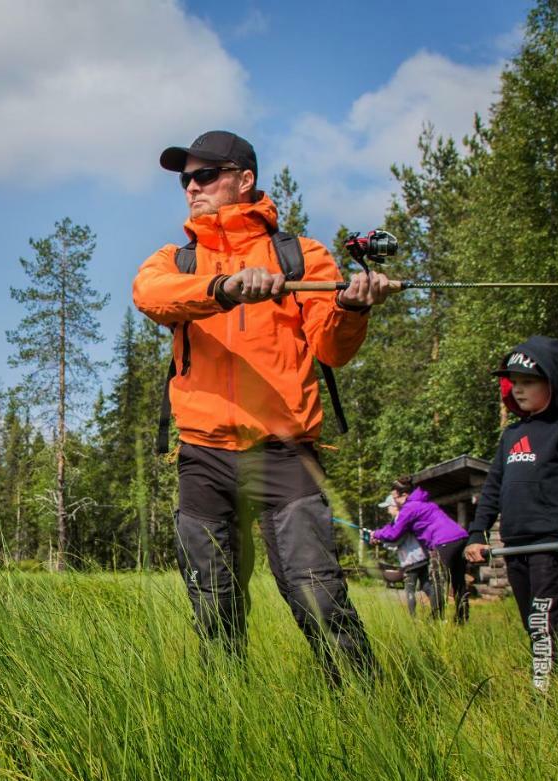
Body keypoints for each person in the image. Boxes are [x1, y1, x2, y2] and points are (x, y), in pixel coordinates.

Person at [131, 130, 393, 684]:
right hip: (203, 453)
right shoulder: (176, 259)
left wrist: (350, 307)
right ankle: (227, 716)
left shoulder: (302, 256)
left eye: (205, 175)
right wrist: (224, 286)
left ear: (244, 179)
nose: (191, 187)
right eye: (185, 179)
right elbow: (149, 296)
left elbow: (332, 350)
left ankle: (371, 711)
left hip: (285, 453)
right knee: (212, 602)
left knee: (316, 592)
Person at [463, 336, 558, 691]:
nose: (518, 390)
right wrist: (477, 534)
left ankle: (546, 696)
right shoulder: (512, 435)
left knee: (545, 620)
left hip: (550, 545)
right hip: (514, 545)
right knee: (531, 621)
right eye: (514, 383)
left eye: (528, 382)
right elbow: (492, 489)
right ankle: (550, 681)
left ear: (551, 381)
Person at [367, 477, 471, 622]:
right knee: (458, 581)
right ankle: (462, 618)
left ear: (404, 495)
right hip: (461, 538)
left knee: (437, 582)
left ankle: (436, 619)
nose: (394, 501)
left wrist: (376, 534)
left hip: (444, 542)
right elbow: (396, 529)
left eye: (395, 497)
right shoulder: (423, 503)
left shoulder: (409, 508)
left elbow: (393, 534)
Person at [376, 494, 434, 617]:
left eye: (388, 507)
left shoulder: (400, 520)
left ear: (395, 506)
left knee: (410, 590)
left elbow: (396, 540)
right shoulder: (405, 518)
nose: (387, 510)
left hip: (411, 561)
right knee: (426, 586)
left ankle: (413, 619)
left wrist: (381, 540)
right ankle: (439, 613)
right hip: (421, 558)